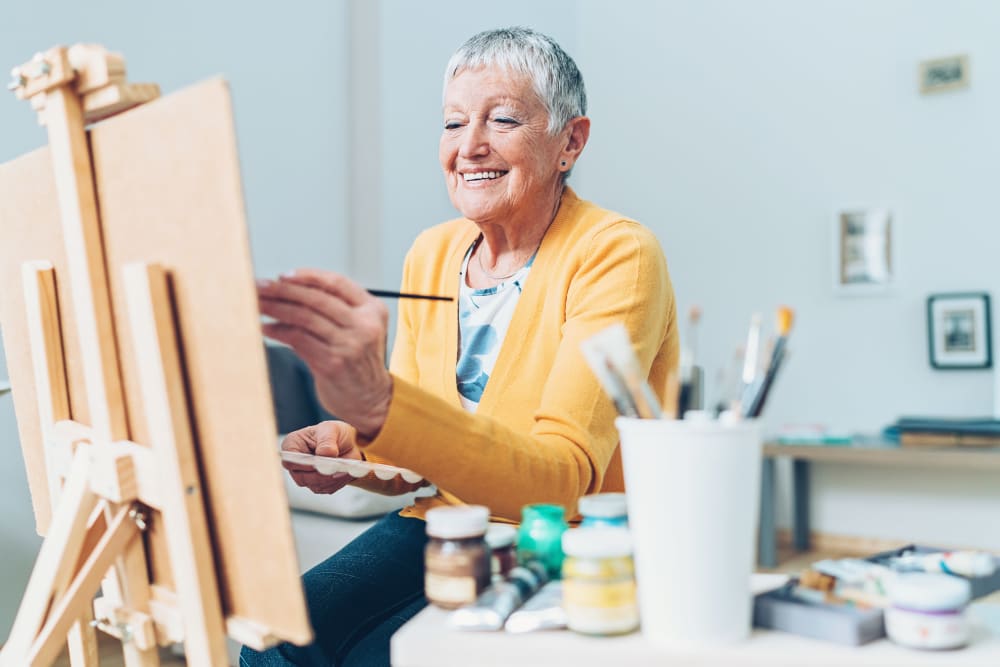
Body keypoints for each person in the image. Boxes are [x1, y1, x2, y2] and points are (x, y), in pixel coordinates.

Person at [241, 26, 678, 667]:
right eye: (452, 123)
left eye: (501, 120)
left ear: (570, 142)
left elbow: (558, 484)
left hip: (559, 540)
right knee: (274, 644)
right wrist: (352, 440)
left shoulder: (616, 254)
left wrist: (379, 406)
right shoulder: (432, 252)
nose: (469, 146)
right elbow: (422, 438)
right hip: (439, 525)